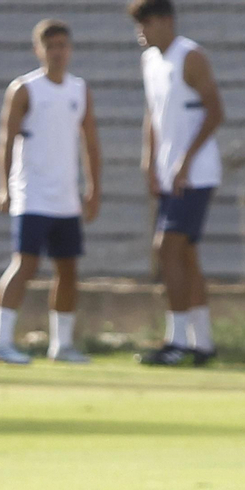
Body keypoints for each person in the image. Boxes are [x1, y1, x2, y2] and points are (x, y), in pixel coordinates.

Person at [0, 20, 102, 365]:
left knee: (68, 269)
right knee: (26, 264)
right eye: (50, 46)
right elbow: (6, 140)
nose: (57, 52)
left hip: (66, 198)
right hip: (31, 195)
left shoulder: (79, 90)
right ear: (39, 50)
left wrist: (93, 189)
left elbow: (90, 141)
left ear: (70, 49)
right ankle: (0, 341)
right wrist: (5, 187)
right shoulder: (24, 89)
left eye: (63, 46)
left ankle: (61, 345)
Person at [130, 0, 224, 367]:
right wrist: (150, 161)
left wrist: (186, 161)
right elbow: (153, 113)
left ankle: (177, 341)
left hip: (196, 175)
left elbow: (215, 111)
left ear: (166, 21)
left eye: (147, 23)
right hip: (170, 176)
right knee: (185, 255)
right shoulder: (150, 60)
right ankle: (203, 342)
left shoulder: (191, 56)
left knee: (166, 250)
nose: (142, 31)